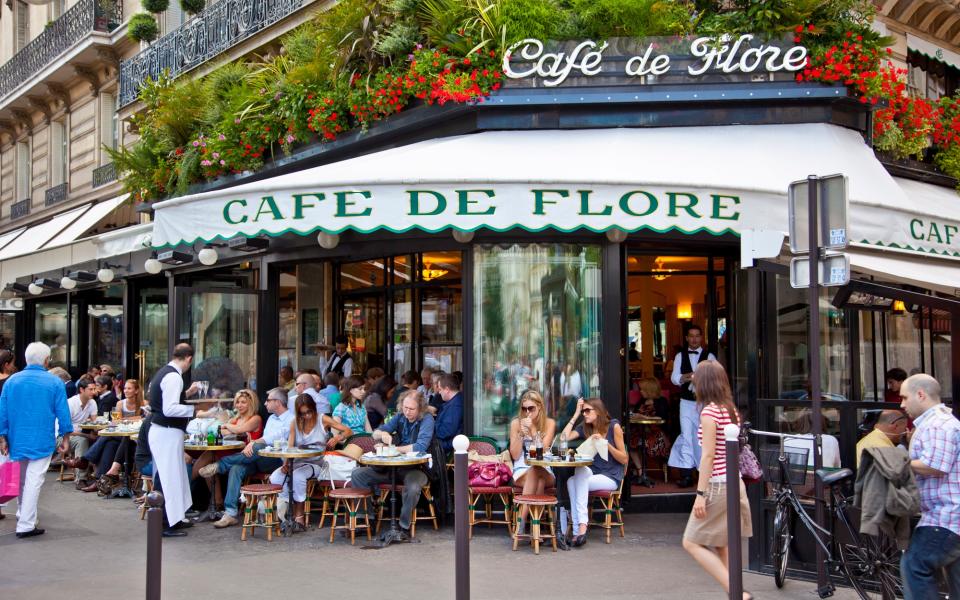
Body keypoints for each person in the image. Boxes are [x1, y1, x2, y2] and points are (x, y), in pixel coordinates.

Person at [681, 360, 753, 600]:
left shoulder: (710, 412)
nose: (693, 382)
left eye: (696, 379)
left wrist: (700, 495)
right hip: (733, 482)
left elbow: (708, 456)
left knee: (691, 542)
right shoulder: (730, 409)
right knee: (722, 543)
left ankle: (738, 593)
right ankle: (735, 592)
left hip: (718, 485)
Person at [0, 342, 72, 538]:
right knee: (34, 480)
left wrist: (3, 436)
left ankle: (24, 515)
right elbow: (63, 413)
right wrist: (65, 436)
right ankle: (25, 523)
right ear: (47, 360)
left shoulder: (12, 381)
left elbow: (3, 412)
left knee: (22, 479)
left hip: (16, 437)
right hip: (41, 437)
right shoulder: (54, 382)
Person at [899, 374, 960, 599]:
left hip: (946, 516)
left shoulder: (937, 424)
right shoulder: (941, 422)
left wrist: (898, 462)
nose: (902, 404)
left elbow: (935, 466)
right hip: (950, 516)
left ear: (921, 394)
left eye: (905, 397)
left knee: (914, 565)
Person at [202, 387, 292, 528]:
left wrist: (254, 442)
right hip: (257, 458)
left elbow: (276, 437)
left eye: (268, 400)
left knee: (256, 448)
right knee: (237, 468)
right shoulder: (272, 419)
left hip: (277, 461)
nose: (265, 403)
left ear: (278, 402)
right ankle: (230, 513)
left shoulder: (290, 418)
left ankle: (221, 465)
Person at [352, 390, 435, 540]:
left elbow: (420, 446)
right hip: (393, 467)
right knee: (358, 475)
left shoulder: (427, 419)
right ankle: (366, 520)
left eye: (411, 409)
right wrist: (382, 434)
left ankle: (403, 527)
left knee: (413, 487)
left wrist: (393, 449)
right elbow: (375, 433)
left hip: (416, 468)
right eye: (405, 408)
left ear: (421, 408)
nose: (407, 412)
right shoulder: (400, 416)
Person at [268, 394, 352, 531]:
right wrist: (285, 464)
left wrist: (337, 438)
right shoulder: (295, 422)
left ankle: (299, 517)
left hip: (317, 463)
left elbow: (348, 431)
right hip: (298, 462)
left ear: (314, 408)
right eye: (303, 413)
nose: (306, 416)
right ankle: (283, 513)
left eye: (309, 412)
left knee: (298, 476)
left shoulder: (322, 419)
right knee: (276, 476)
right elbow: (290, 447)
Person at [559, 397, 626, 547]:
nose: (585, 414)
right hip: (593, 473)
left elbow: (624, 459)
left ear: (599, 411)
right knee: (574, 478)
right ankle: (578, 530)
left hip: (611, 476)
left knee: (579, 479)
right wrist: (575, 414)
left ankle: (581, 528)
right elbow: (563, 439)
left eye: (587, 410)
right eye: (583, 411)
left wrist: (606, 445)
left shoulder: (613, 426)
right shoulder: (586, 427)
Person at [147, 343, 199, 537]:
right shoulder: (174, 376)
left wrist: (187, 395)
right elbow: (169, 408)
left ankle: (174, 519)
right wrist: (195, 410)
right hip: (166, 432)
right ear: (189, 359)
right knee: (168, 478)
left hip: (164, 431)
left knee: (173, 476)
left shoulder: (165, 372)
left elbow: (165, 401)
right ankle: (165, 523)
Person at [191, 388, 263, 520]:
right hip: (233, 454)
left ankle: (189, 494)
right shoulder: (235, 419)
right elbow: (220, 430)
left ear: (251, 404)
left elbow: (239, 429)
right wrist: (232, 428)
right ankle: (217, 504)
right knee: (208, 462)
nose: (239, 405)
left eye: (243, 402)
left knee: (209, 462)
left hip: (249, 459)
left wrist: (230, 428)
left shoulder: (256, 418)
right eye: (237, 402)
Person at [668, 324, 716, 488]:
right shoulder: (680, 356)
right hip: (687, 403)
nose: (694, 339)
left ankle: (705, 473)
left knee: (703, 437)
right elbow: (674, 378)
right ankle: (687, 474)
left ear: (701, 338)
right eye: (691, 336)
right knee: (686, 435)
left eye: (697, 336)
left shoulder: (709, 355)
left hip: (705, 403)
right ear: (687, 338)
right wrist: (685, 377)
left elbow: (716, 378)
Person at [508, 390, 557, 539]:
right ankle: (536, 528)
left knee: (536, 468)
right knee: (537, 477)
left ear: (540, 407)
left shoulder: (549, 423)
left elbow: (543, 452)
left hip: (545, 468)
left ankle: (522, 522)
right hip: (522, 469)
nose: (527, 412)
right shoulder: (516, 423)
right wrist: (521, 435)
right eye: (524, 409)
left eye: (531, 408)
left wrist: (533, 430)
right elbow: (515, 455)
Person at [628, 377, 671, 480]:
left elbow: (663, 417)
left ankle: (641, 471)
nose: (640, 391)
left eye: (643, 389)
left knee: (642, 442)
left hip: (657, 434)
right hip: (641, 431)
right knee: (629, 440)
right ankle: (640, 471)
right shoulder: (642, 401)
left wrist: (644, 417)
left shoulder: (661, 401)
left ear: (650, 389)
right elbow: (635, 413)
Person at [59, 378, 100, 472]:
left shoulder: (92, 402)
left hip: (79, 433)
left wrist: (99, 431)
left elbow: (95, 423)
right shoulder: (70, 403)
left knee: (101, 440)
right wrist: (88, 435)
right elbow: (65, 430)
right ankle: (81, 479)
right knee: (82, 441)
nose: (94, 392)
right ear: (81, 390)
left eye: (94, 389)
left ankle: (99, 474)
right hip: (62, 437)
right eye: (91, 389)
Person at [435, 372, 464, 452]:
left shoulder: (455, 406)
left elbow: (446, 432)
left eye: (440, 389)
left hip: (446, 445)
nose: (439, 392)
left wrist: (431, 429)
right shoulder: (455, 401)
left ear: (447, 389)